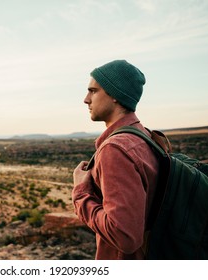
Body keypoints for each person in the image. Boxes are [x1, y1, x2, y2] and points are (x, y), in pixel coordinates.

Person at [72, 60, 159, 260]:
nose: (86, 99)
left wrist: (80, 193)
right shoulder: (145, 136)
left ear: (115, 95)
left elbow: (125, 237)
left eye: (93, 91)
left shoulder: (115, 149)